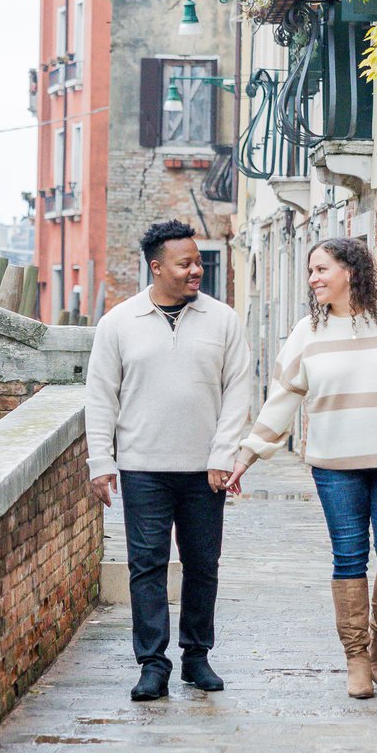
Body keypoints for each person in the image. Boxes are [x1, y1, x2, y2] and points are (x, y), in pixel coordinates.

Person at [229, 237, 377, 700]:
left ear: (350, 271)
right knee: (349, 557)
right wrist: (247, 455)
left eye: (321, 269)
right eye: (310, 271)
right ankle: (356, 657)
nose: (313, 279)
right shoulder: (306, 333)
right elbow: (281, 400)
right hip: (334, 468)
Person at [85, 220, 254, 701]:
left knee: (203, 564)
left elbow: (237, 391)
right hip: (141, 467)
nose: (196, 270)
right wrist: (101, 461)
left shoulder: (223, 320)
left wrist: (224, 453)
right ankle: (152, 663)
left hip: (205, 469)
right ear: (157, 268)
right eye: (185, 264)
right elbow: (100, 396)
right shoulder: (119, 323)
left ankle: (196, 657)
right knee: (146, 566)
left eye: (198, 261)